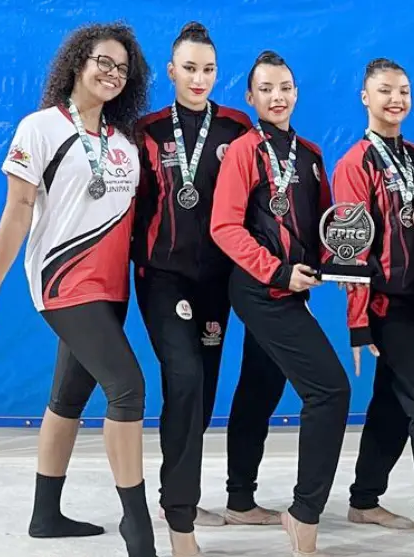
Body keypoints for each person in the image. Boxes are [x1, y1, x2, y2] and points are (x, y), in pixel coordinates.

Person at [0, 23, 158, 557]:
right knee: (127, 387)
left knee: (67, 399)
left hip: (111, 289)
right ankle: (138, 528)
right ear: (77, 63)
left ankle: (45, 516)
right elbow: (18, 210)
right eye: (103, 62)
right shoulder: (40, 127)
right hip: (64, 282)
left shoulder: (124, 141)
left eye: (123, 68)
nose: (113, 73)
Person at [130, 21, 278, 556]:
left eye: (208, 69)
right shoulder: (146, 131)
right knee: (185, 378)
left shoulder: (238, 128)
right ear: (171, 71)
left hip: (218, 280)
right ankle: (180, 518)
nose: (199, 78)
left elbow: (264, 199)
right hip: (162, 275)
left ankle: (179, 495)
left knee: (203, 390)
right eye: (189, 68)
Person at [210, 50, 351, 556]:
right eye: (266, 89)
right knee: (330, 391)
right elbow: (224, 227)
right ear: (250, 97)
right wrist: (277, 271)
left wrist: (343, 263)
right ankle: (304, 512)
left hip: (292, 286)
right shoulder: (244, 151)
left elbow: (325, 229)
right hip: (260, 289)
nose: (277, 97)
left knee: (260, 387)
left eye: (285, 87)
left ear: (296, 93)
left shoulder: (310, 155)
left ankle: (240, 500)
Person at [331, 57, 414, 557]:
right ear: (366, 97)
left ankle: (364, 500)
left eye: (403, 90)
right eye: (385, 90)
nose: (395, 99)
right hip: (386, 306)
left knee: (391, 403)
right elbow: (351, 251)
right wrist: (359, 324)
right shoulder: (354, 165)